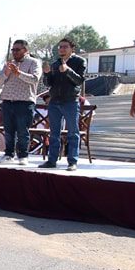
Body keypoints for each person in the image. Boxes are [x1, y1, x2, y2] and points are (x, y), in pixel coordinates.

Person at [39, 38, 87, 171]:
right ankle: (52, 160)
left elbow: (79, 80)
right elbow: (49, 83)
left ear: (72, 49)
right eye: (60, 47)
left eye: (65, 47)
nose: (62, 49)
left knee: (73, 133)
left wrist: (67, 71)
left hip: (70, 101)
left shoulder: (79, 61)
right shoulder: (55, 63)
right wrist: (47, 74)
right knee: (54, 133)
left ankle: (72, 161)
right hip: (55, 101)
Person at [0, 39, 42, 165]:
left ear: (26, 50)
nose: (14, 52)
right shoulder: (8, 64)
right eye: (13, 50)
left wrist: (18, 73)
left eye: (17, 49)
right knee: (9, 130)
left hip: (24, 102)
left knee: (22, 131)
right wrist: (6, 73)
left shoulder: (34, 62)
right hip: (7, 101)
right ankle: (9, 154)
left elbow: (34, 79)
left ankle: (23, 156)